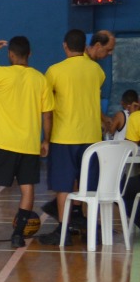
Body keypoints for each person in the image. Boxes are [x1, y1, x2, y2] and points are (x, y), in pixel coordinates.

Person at [0, 38, 51, 248]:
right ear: (29, 54)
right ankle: (18, 236)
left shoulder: (1, 73)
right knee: (27, 188)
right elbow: (47, 114)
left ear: (10, 54)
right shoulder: (40, 79)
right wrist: (46, 140)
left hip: (1, 143)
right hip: (28, 144)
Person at [42, 28, 107, 239]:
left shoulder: (54, 71)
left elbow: (48, 108)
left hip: (64, 137)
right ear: (84, 47)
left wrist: (46, 138)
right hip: (92, 138)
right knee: (89, 186)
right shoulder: (97, 70)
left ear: (65, 46)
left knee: (63, 186)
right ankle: (91, 230)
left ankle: (64, 231)